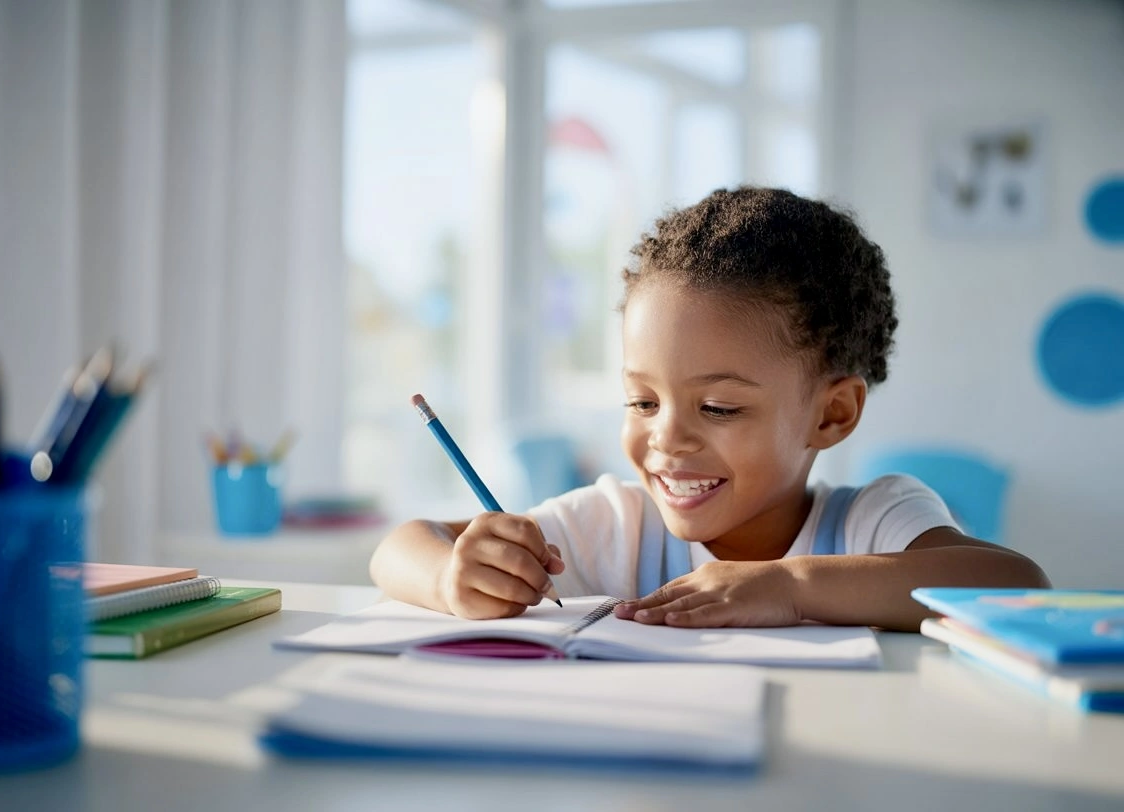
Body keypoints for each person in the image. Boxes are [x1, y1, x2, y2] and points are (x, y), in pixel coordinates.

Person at [370, 186, 1049, 631]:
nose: (666, 439)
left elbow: (1016, 585)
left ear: (832, 414)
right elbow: (398, 548)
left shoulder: (870, 523)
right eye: (642, 400)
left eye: (719, 407)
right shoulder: (618, 524)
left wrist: (790, 584)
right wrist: (451, 577)